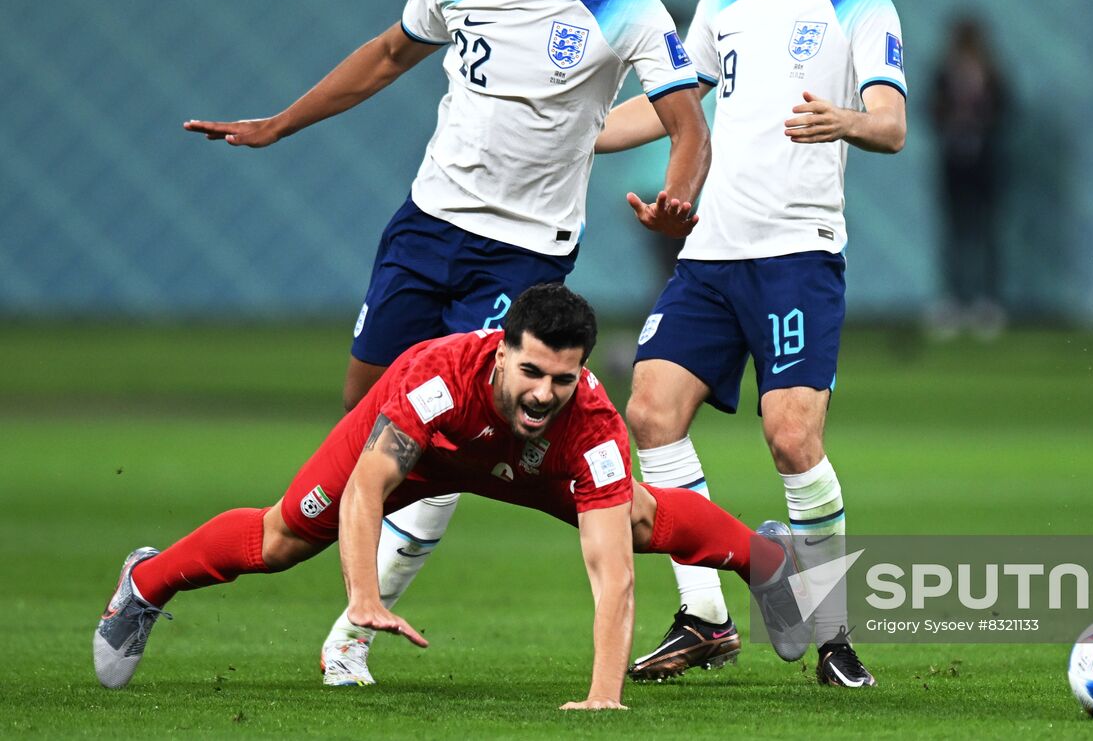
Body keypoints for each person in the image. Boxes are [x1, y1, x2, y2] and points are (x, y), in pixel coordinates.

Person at [183, 0, 712, 683]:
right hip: (425, 227)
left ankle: (354, 630)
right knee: (365, 428)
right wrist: (280, 123)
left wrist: (677, 198)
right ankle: (324, 563)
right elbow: (389, 55)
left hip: (524, 253)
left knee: (458, 427)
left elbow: (688, 125)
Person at [93, 284, 802, 709]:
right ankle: (145, 583)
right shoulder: (434, 380)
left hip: (530, 459)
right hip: (426, 452)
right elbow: (369, 487)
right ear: (501, 351)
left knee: (640, 521)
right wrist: (364, 595)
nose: (543, 391)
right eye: (530, 371)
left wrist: (602, 695)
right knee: (280, 538)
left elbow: (611, 573)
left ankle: (767, 557)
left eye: (562, 378)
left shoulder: (589, 426)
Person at [593, 0, 906, 688]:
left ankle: (834, 632)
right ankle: (704, 617)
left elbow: (891, 125)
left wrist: (840, 119)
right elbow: (674, 111)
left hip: (798, 254)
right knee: (651, 414)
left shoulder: (867, 8)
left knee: (791, 437)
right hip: (711, 254)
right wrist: (573, 134)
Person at [927, 16, 1010, 338]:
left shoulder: (992, 73)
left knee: (985, 233)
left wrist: (980, 120)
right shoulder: (945, 72)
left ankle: (987, 301)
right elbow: (930, 109)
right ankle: (953, 300)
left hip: (984, 161)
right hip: (953, 161)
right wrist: (951, 119)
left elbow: (1006, 109)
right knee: (954, 234)